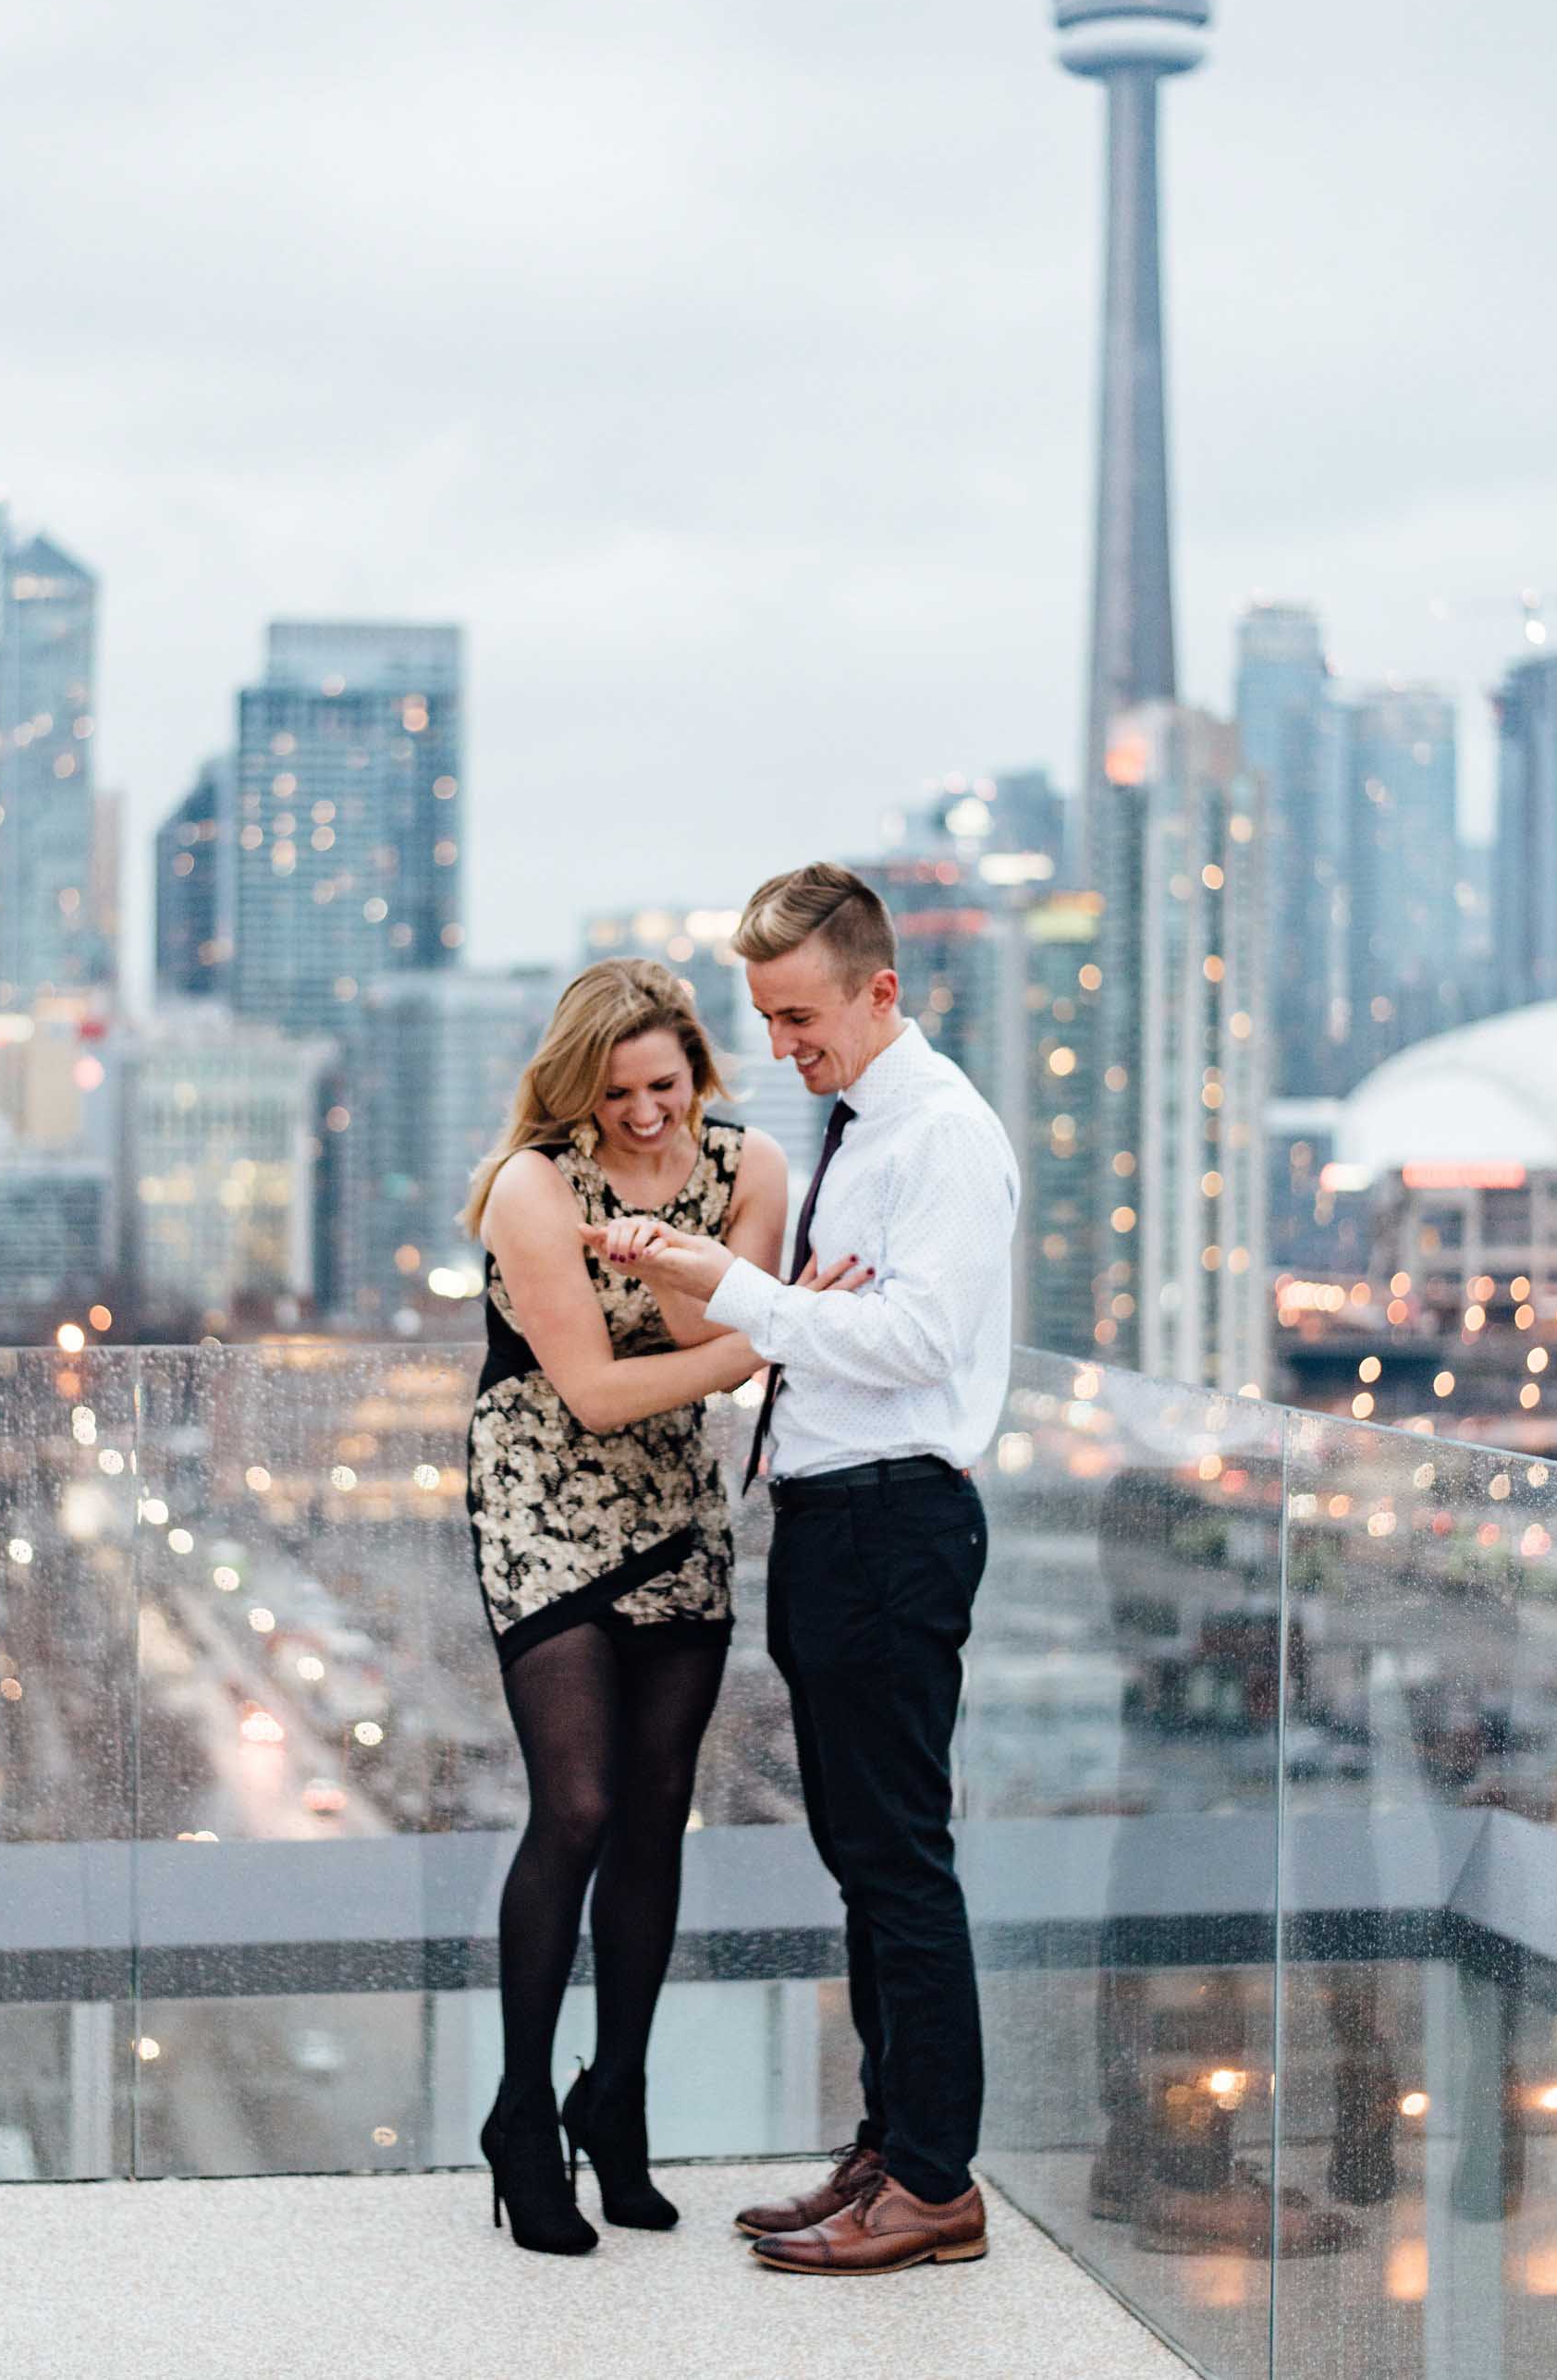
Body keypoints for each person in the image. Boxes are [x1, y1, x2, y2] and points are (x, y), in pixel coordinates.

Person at [594, 865, 1019, 2277]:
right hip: (839, 1525)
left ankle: (937, 2183)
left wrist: (741, 1292)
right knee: (861, 1859)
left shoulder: (943, 1140)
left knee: (900, 1863)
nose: (783, 1046)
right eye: (769, 1021)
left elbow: (916, 1344)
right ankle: (889, 2153)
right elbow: (850, 1330)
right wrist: (791, 1310)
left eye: (800, 1016)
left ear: (879, 990)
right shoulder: (861, 1129)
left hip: (896, 1526)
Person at [463, 955, 866, 2254]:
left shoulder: (748, 1167)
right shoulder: (532, 1186)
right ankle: (523, 2115)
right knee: (573, 1804)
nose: (646, 1113)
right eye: (619, 1090)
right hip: (539, 1496)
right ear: (577, 1088)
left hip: (676, 1504)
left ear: (699, 1065)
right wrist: (781, 1325)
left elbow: (725, 1349)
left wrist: (757, 1327)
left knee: (654, 1817)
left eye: (666, 1083)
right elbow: (595, 1389)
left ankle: (615, 2101)